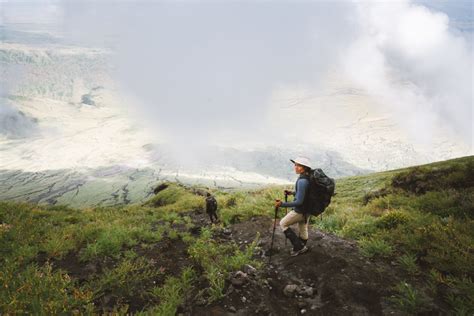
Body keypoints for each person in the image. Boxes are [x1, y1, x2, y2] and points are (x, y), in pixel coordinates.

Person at [275, 156, 313, 256]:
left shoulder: (302, 181)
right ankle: (302, 246)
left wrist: (282, 204)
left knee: (283, 223)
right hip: (308, 209)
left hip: (300, 210)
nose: (295, 167)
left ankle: (299, 247)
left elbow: (299, 202)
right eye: (295, 165)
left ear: (305, 167)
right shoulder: (307, 177)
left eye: (299, 166)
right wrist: (292, 193)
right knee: (303, 227)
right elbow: (304, 193)